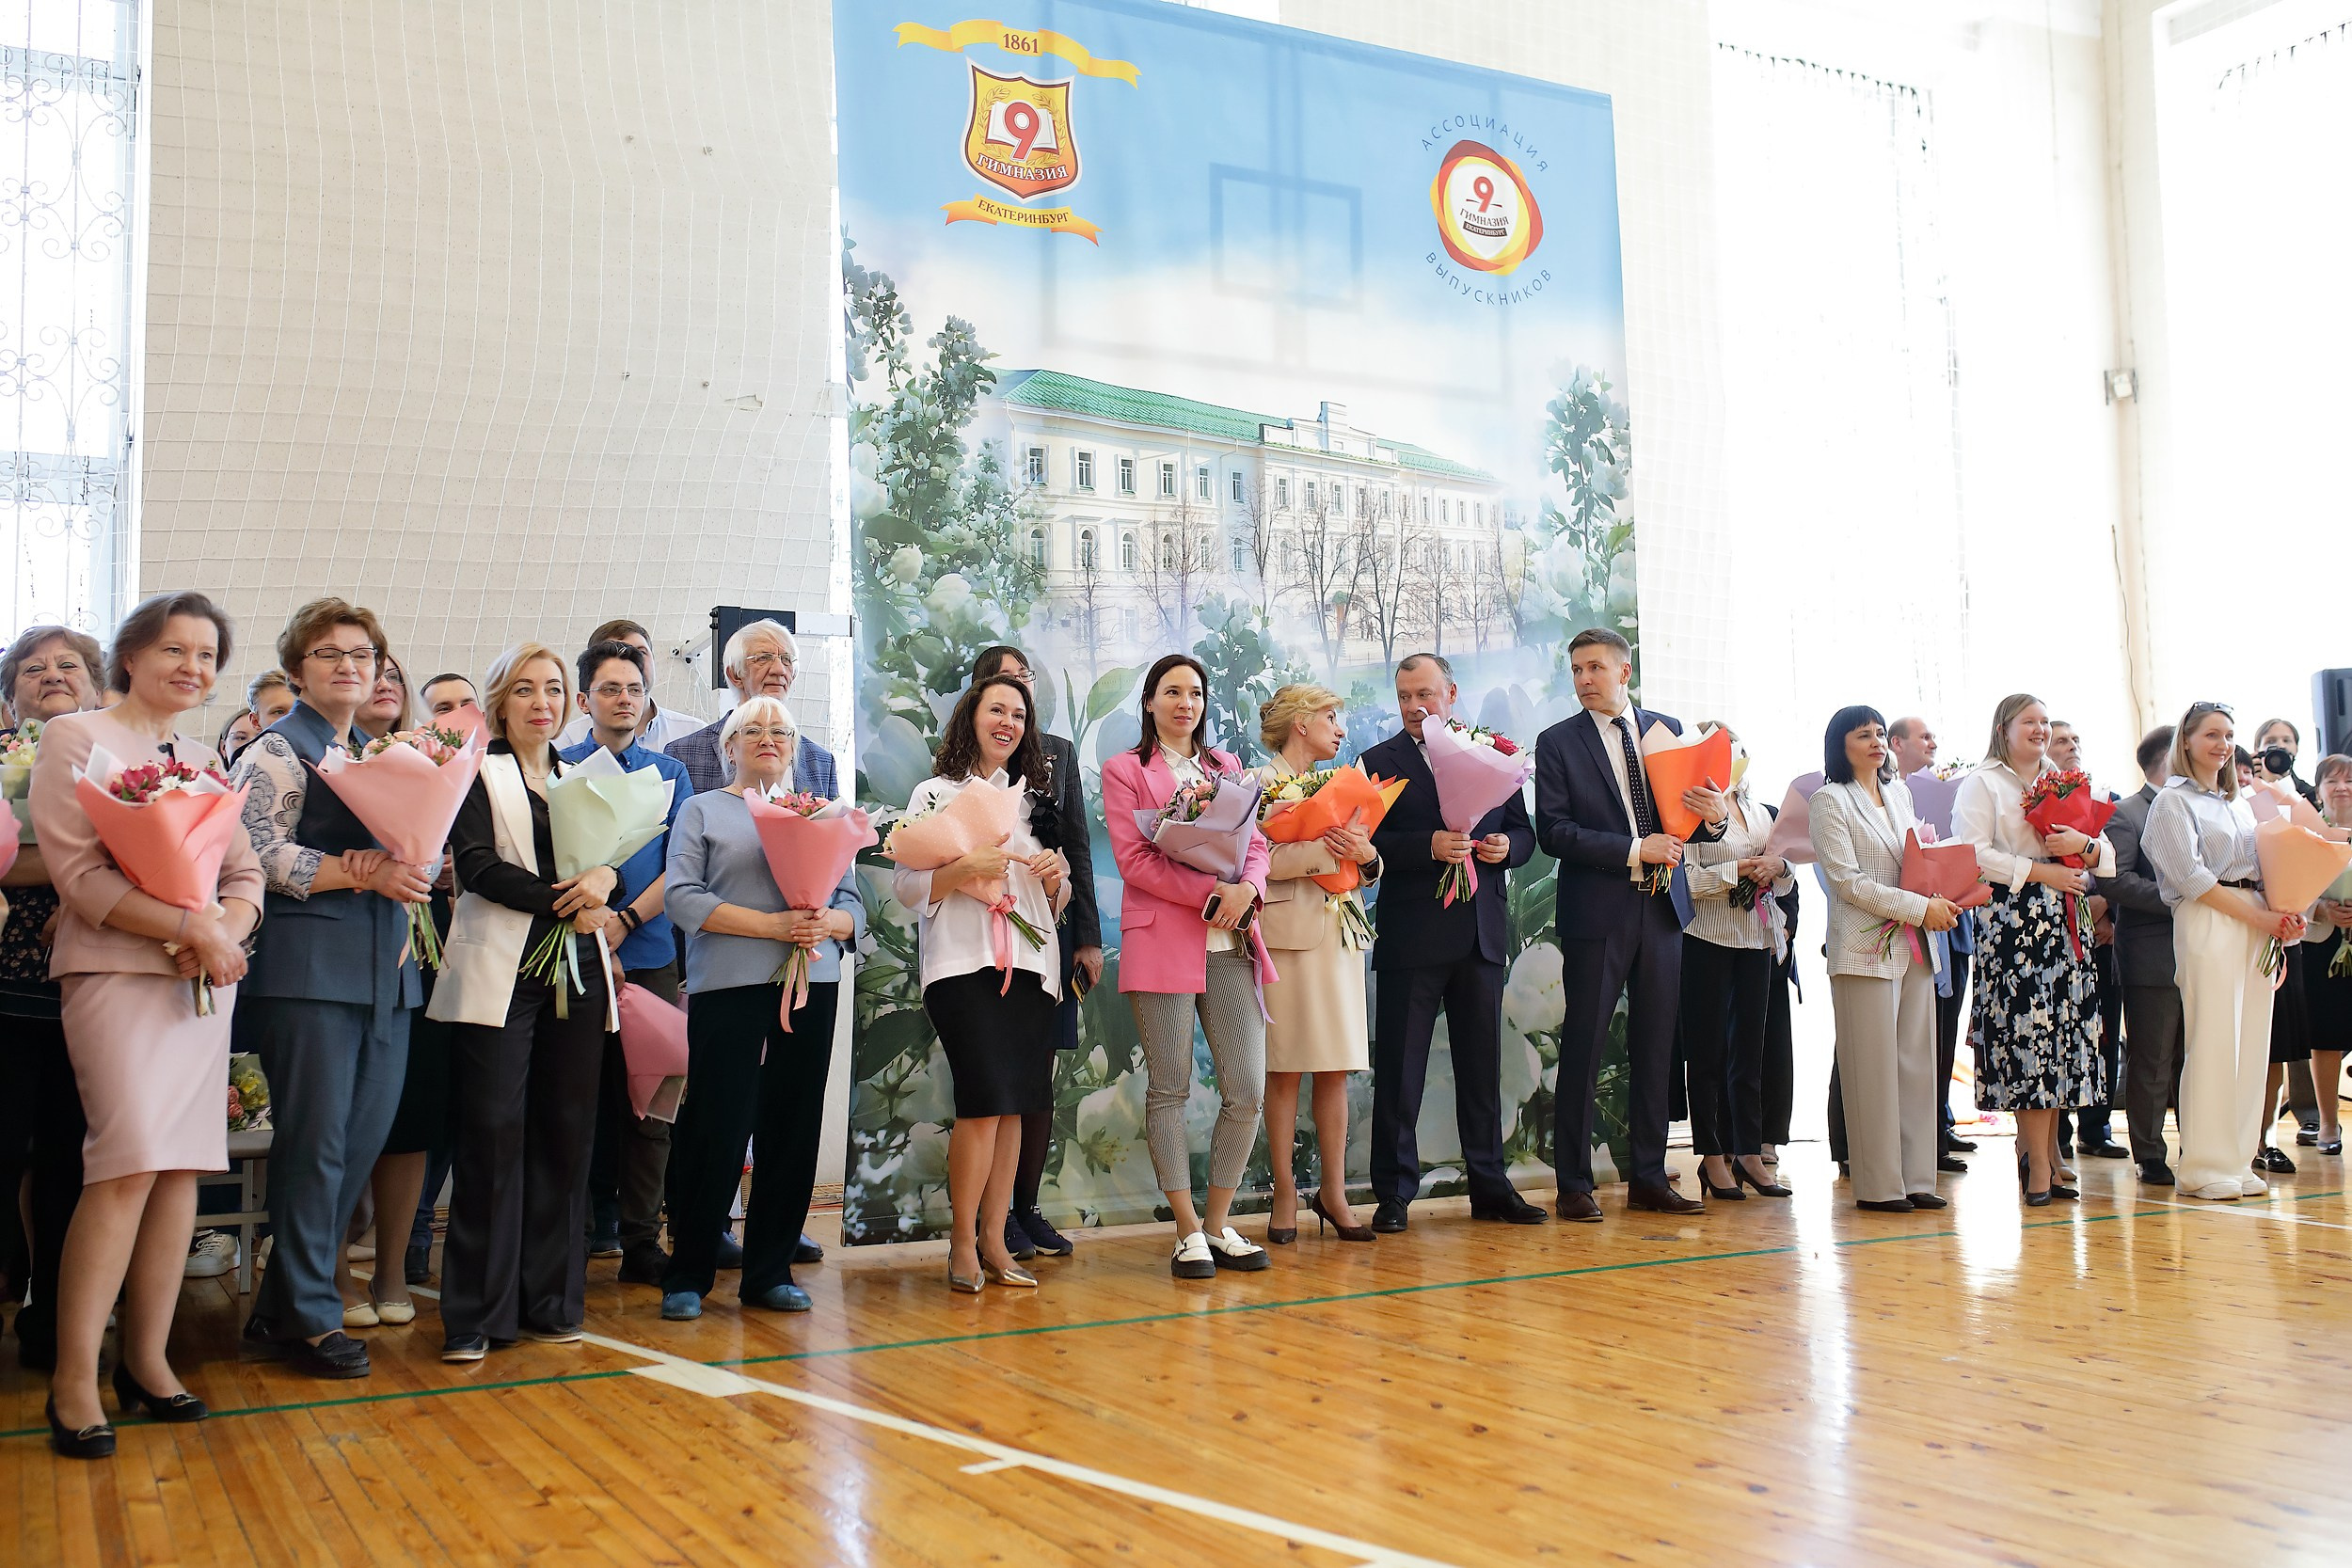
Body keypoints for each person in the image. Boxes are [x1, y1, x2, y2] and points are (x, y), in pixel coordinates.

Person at [29, 592, 264, 1457]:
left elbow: (245, 874)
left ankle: (149, 1361)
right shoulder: (75, 738)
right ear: (130, 655)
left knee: (180, 1173)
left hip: (202, 981)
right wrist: (190, 926)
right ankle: (73, 1381)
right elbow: (80, 877)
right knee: (125, 1165)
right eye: (174, 648)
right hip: (117, 974)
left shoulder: (202, 757)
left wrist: (225, 930)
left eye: (206, 654)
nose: (191, 666)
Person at [231, 600, 433, 1379]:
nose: (350, 665)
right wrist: (358, 872)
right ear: (297, 670)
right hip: (309, 972)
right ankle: (312, 1318)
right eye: (329, 653)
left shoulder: (378, 753)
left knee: (357, 1146)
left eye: (363, 654)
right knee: (315, 1146)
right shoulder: (278, 747)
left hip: (385, 971)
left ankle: (279, 1306)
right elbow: (250, 849)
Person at [426, 643, 623, 1361]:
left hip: (579, 967)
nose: (543, 702)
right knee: (492, 1132)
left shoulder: (584, 776)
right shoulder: (476, 770)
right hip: (501, 967)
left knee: (566, 1136)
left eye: (554, 689)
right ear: (500, 702)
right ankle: (476, 1315)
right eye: (525, 689)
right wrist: (566, 900)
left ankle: (551, 1301)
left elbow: (611, 867)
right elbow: (476, 867)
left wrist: (605, 881)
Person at [660, 696, 863, 1319]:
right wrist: (772, 926)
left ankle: (769, 1271)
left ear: (795, 747)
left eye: (780, 730)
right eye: (752, 729)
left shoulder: (824, 813)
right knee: (716, 1124)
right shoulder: (702, 809)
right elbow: (681, 899)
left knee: (793, 1126)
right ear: (730, 746)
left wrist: (828, 921)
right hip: (728, 985)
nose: (767, 737)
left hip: (812, 983)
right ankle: (689, 1272)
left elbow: (853, 907)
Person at [1532, 628, 1722, 1220]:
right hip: (1598, 914)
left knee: (1656, 1049)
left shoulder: (1667, 730)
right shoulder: (1558, 742)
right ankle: (1574, 1184)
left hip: (1663, 911)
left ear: (1625, 671)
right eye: (1576, 670)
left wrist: (1715, 818)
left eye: (1594, 667)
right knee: (1584, 1046)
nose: (1584, 679)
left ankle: (1648, 1177)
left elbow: (1692, 821)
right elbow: (1554, 833)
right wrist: (1638, 849)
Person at [892, 673, 1069, 1291]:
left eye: (1018, 714)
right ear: (972, 716)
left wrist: (1055, 878)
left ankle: (996, 1239)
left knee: (1015, 1104)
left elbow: (1056, 900)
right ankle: (962, 1242)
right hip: (962, 967)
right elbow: (907, 886)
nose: (1008, 722)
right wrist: (964, 866)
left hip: (1031, 966)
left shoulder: (1034, 801)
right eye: (997, 709)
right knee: (983, 1101)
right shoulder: (934, 792)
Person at [1101, 654, 1276, 1278]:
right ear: (1149, 701)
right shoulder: (1124, 771)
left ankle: (1218, 1223)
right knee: (1170, 1086)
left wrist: (1247, 890)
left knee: (1246, 1089)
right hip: (1163, 941)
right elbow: (1134, 861)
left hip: (1230, 942)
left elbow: (1256, 845)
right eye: (1172, 691)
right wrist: (1211, 893)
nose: (1185, 703)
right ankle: (1186, 1230)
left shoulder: (1226, 766)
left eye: (1195, 692)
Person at [1356, 655, 1540, 1232]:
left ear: (1451, 694)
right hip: (1412, 935)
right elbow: (1367, 845)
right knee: (1400, 1071)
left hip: (1480, 933)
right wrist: (1427, 846)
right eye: (1404, 696)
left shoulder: (1492, 752)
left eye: (1424, 694)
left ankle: (1490, 1185)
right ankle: (1394, 1193)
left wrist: (1506, 849)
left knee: (1483, 1070)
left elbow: (1525, 833)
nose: (1414, 707)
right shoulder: (1377, 762)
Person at [560, 639, 691, 1283]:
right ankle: (573, 1239)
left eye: (634, 689)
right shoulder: (559, 766)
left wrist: (626, 922)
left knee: (653, 1103)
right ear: (585, 700)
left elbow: (680, 866)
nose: (624, 700)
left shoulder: (670, 773)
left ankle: (642, 1241)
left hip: (651, 953)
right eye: (610, 689)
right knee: (576, 1100)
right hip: (572, 954)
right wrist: (594, 930)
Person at [1953, 694, 2115, 1205]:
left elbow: (2106, 856)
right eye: (2030, 721)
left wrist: (2081, 846)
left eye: (2046, 721)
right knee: (2028, 1041)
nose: (2041, 730)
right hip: (2013, 921)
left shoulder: (2066, 781)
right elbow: (1972, 853)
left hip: (2067, 919)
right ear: (2003, 728)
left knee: (2063, 1040)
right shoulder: (1982, 782)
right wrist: (2041, 871)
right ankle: (2037, 1163)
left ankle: (2045, 1155)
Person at [2142, 702, 2306, 1201]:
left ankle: (2238, 1158)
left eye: (2229, 735)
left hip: (2255, 917)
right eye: (2212, 734)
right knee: (2214, 1039)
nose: (2223, 744)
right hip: (2210, 917)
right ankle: (2203, 1165)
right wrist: (2260, 918)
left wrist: (2285, 911)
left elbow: (2273, 858)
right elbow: (2191, 878)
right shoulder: (2172, 801)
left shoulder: (2238, 802)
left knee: (2252, 1042)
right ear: (2186, 741)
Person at [968, 645, 1101, 1259]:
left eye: (1023, 681)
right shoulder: (956, 766)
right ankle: (985, 1220)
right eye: (1003, 683)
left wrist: (1089, 938)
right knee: (989, 1080)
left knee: (1038, 1077)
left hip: (1052, 928)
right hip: (979, 938)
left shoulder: (1058, 754)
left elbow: (1077, 846)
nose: (1016, 694)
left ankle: (1024, 1208)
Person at [0, 625, 104, 1372]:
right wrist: (82, 875)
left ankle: (55, 1321)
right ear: (11, 699)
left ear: (98, 687)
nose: (53, 674)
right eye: (32, 669)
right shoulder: (5, 759)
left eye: (70, 664)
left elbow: (157, 849)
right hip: (6, 993)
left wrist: (82, 881)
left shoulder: (124, 763)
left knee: (73, 1161)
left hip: (94, 992)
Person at [1810, 707, 1959, 1212]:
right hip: (1863, 948)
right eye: (1863, 735)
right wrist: (1921, 907)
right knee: (1871, 1069)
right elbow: (1848, 883)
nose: (1876, 742)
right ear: (1840, 744)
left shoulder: (1900, 794)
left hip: (1915, 944)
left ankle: (1918, 1178)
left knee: (1916, 1065)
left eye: (1879, 733)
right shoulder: (1830, 800)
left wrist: (1944, 886)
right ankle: (1878, 1186)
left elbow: (1915, 862)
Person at [1252, 683, 1380, 1242]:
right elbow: (1256, 861)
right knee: (1283, 1069)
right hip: (1287, 939)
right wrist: (1324, 851)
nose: (1340, 728)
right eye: (1331, 717)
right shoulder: (1258, 783)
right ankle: (1284, 1193)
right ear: (1301, 723)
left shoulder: (1342, 786)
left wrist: (1365, 856)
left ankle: (1334, 1192)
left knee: (1335, 1067)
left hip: (1341, 936)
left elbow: (1365, 864)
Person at [1678, 722, 1795, 1202]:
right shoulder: (1686, 809)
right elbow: (1682, 881)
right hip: (1705, 940)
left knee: (1750, 1053)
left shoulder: (1759, 811)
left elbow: (1784, 877)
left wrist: (1778, 868)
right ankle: (1710, 1155)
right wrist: (1735, 871)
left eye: (1732, 750)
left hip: (1756, 941)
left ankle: (1748, 1151)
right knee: (1707, 1053)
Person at [2098, 725, 2186, 1184]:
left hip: (2202, 951)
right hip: (2153, 953)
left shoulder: (2200, 807)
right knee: (2152, 1058)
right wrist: (2182, 897)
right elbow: (2115, 880)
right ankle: (2149, 1152)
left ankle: (2199, 1144)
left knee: (2195, 1057)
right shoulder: (2127, 812)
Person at [1888, 715, 1975, 1169]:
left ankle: (1939, 1123)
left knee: (1943, 1035)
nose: (1932, 743)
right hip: (1901, 927)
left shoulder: (1945, 794)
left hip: (1951, 925)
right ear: (1896, 744)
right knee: (1904, 1042)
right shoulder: (1881, 795)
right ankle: (1896, 1139)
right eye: (1923, 736)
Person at [666, 619, 836, 799]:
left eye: (786, 659)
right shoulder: (684, 754)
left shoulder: (821, 762)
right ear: (735, 675)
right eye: (763, 658)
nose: (779, 670)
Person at [2297, 753, 2352, 1156]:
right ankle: (2328, 1123)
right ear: (2318, 791)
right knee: (2326, 1034)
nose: (2342, 788)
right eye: (2332, 781)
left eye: (2349, 780)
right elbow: (2284, 887)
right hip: (2322, 941)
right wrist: (2321, 909)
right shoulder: (2304, 834)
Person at [555, 618, 703, 753]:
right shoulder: (566, 741)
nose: (631, 663)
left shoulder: (695, 733)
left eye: (641, 653)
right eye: (617, 653)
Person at [358, 652, 412, 739]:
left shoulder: (425, 743)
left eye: (393, 677)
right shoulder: (335, 746)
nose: (385, 686)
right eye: (372, 678)